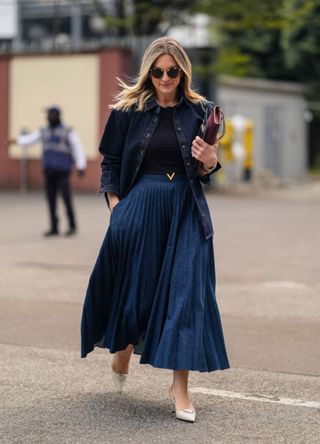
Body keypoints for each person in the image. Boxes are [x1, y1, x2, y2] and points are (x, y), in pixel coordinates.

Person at [81, 37, 229, 422]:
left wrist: (211, 161)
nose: (165, 78)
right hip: (139, 206)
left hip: (185, 207)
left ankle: (180, 386)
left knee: (187, 293)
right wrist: (117, 208)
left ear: (183, 72)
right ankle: (124, 346)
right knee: (137, 294)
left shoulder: (203, 112)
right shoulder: (127, 111)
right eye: (158, 71)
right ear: (149, 72)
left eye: (172, 71)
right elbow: (110, 162)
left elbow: (206, 170)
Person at [13, 106, 86, 236]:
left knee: (66, 199)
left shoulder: (67, 131)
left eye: (49, 114)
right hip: (49, 171)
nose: (46, 117)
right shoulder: (44, 130)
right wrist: (17, 141)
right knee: (51, 200)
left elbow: (77, 147)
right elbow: (31, 139)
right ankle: (54, 227)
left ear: (55, 115)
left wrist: (81, 164)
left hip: (62, 172)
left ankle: (72, 226)